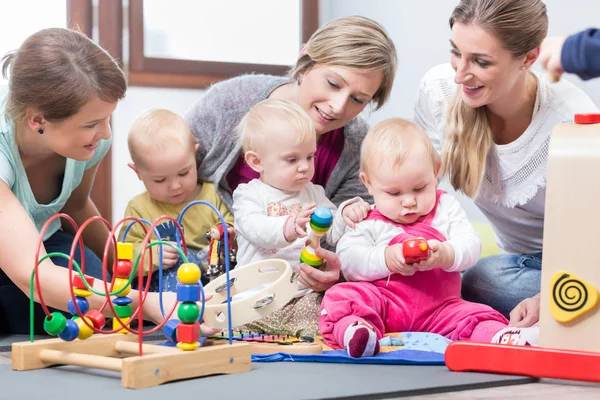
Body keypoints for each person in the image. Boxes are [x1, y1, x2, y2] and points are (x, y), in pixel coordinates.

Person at [413, 0, 599, 327]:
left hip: (581, 264)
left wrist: (551, 296)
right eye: (455, 51)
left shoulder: (567, 120)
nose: (459, 74)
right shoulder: (439, 90)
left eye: (481, 62)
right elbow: (415, 189)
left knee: (482, 279)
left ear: (528, 58)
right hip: (517, 267)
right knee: (473, 276)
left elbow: (590, 243)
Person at [186, 15, 397, 295]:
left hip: (291, 286)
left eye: (358, 100)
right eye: (333, 83)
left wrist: (337, 270)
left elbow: (349, 239)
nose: (337, 106)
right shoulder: (228, 104)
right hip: (199, 267)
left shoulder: (358, 149)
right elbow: (168, 178)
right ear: (305, 60)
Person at [320, 119, 539, 358]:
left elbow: (470, 245)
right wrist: (387, 259)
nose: (409, 201)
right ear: (368, 184)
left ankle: (503, 337)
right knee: (341, 297)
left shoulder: (444, 207)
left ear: (435, 173)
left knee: (473, 315)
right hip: (382, 305)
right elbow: (349, 261)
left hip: (440, 308)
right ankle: (358, 332)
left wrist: (445, 254)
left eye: (419, 188)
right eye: (394, 193)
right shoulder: (366, 219)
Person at [232, 99, 370, 337]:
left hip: (301, 293)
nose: (305, 167)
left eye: (310, 157)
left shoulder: (313, 193)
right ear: (257, 162)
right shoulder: (249, 194)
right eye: (292, 159)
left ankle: (350, 333)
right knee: (232, 321)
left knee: (329, 310)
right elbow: (254, 227)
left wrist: (346, 213)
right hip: (256, 294)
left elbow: (331, 231)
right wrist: (288, 226)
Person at [120, 109, 234, 292]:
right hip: (164, 288)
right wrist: (153, 254)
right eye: (160, 180)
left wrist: (227, 232)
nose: (175, 186)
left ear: (194, 155)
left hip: (214, 281)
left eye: (183, 173)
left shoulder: (213, 195)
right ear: (138, 173)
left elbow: (234, 228)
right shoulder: (138, 209)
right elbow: (124, 258)